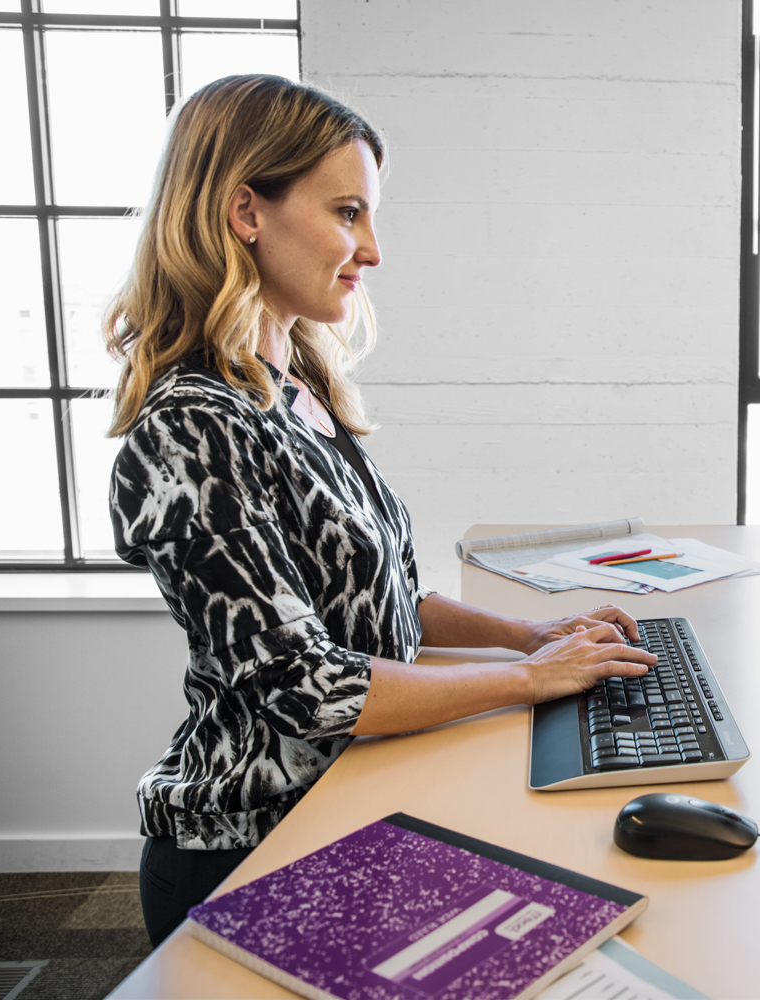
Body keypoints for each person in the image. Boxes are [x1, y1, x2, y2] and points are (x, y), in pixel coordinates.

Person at [105, 75, 656, 946]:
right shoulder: (191, 428)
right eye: (348, 213)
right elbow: (311, 686)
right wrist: (527, 684)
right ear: (246, 211)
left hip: (346, 804)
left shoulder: (298, 391)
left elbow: (389, 604)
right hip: (250, 845)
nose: (372, 249)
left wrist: (535, 638)